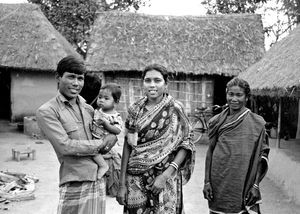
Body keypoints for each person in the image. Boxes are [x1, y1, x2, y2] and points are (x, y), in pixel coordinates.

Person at [36, 55, 117, 214]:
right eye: (71, 77)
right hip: (75, 180)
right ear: (58, 77)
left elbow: (102, 135)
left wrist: (111, 138)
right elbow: (65, 146)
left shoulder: (88, 109)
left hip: (98, 178)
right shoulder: (47, 111)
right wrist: (102, 143)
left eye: (80, 78)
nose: (76, 83)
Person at [116, 64, 195, 214]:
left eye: (157, 80)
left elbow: (186, 144)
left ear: (166, 84)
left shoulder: (176, 109)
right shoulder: (135, 110)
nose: (152, 85)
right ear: (143, 83)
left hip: (165, 177)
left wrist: (165, 176)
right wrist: (121, 184)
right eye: (148, 80)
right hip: (135, 178)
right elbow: (128, 145)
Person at [203, 77, 270, 214]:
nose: (234, 99)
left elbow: (261, 157)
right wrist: (207, 181)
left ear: (246, 97)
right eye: (231, 94)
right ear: (226, 94)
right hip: (218, 179)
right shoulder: (217, 121)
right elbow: (210, 151)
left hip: (242, 181)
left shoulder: (257, 123)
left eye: (239, 95)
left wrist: (256, 185)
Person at [91, 83, 123, 196]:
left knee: (94, 152)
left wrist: (106, 124)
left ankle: (103, 166)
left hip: (104, 142)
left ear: (116, 101)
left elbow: (117, 130)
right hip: (94, 138)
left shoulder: (115, 116)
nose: (101, 100)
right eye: (100, 97)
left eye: (106, 98)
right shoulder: (96, 111)